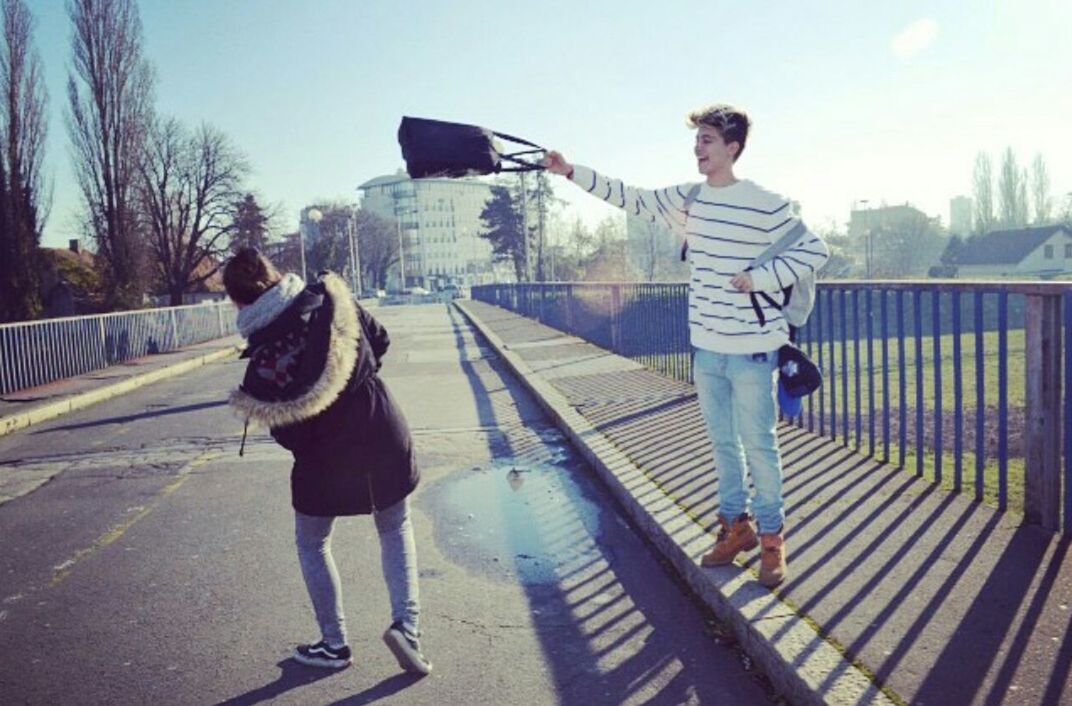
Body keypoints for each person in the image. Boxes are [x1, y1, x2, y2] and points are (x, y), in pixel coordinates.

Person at [542, 104, 829, 587]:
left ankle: (774, 542)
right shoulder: (688, 200)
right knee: (723, 446)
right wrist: (571, 172)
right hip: (707, 349)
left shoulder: (762, 201)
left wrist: (761, 278)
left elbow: (815, 250)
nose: (698, 148)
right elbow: (629, 197)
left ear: (732, 148)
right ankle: (736, 529)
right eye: (697, 140)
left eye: (708, 140)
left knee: (760, 446)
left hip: (754, 350)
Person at [224, 248, 432, 673]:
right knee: (394, 526)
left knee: (312, 542)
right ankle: (406, 628)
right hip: (381, 427)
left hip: (324, 458)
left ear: (237, 301)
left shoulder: (263, 364)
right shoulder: (331, 301)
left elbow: (287, 432)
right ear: (277, 275)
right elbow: (380, 339)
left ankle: (334, 645)